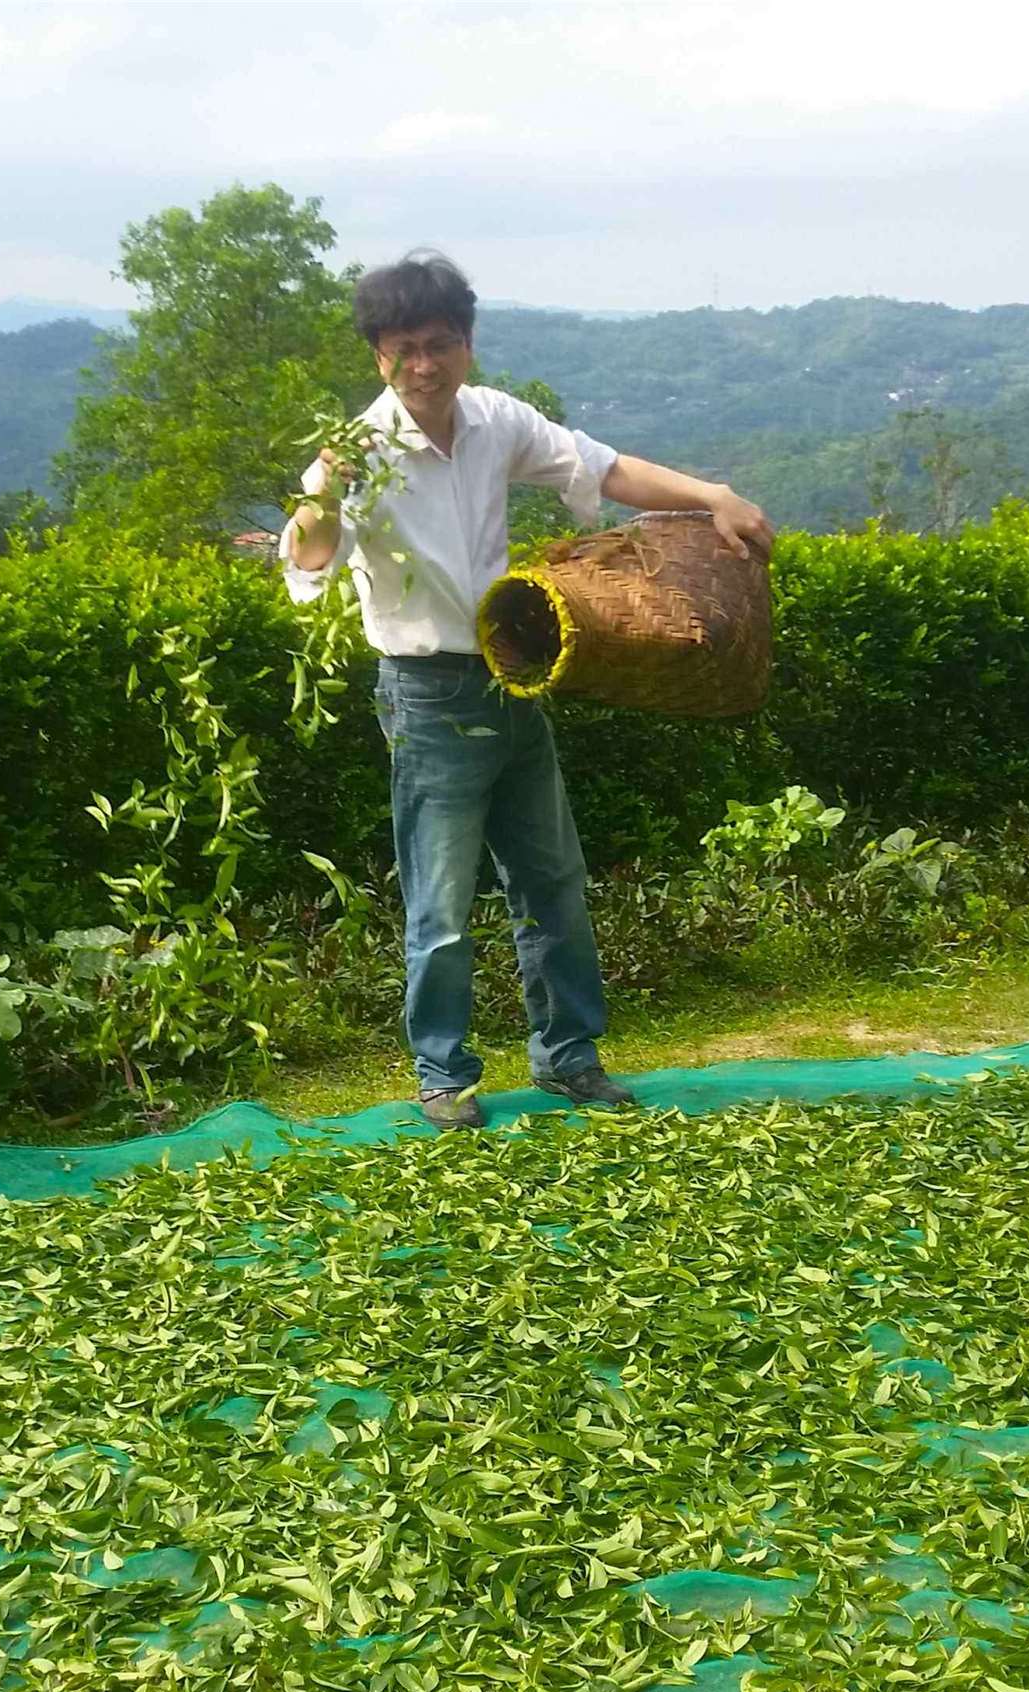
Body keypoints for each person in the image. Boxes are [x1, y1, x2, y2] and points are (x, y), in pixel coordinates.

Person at [282, 251, 774, 1131]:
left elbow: (603, 469)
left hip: (513, 670)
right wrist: (323, 495)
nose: (422, 366)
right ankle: (444, 1074)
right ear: (378, 358)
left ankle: (569, 1058)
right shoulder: (356, 455)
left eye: (439, 345)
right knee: (439, 898)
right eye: (403, 350)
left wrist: (715, 495)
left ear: (467, 346)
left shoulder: (494, 420)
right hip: (426, 690)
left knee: (551, 880)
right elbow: (313, 555)